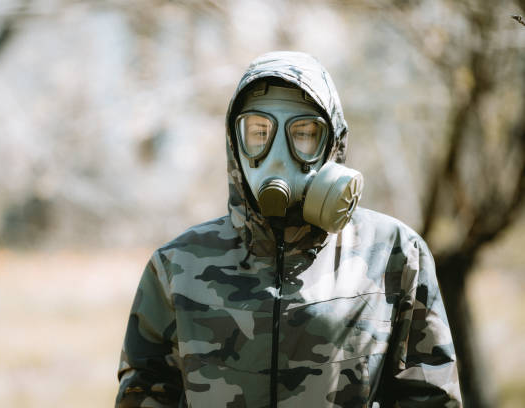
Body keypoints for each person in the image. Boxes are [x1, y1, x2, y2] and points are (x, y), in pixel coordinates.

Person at [115, 51, 462, 407]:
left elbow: (430, 397)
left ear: (333, 143)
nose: (277, 156)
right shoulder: (177, 265)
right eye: (259, 132)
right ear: (234, 143)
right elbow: (144, 394)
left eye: (303, 133)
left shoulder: (394, 253)